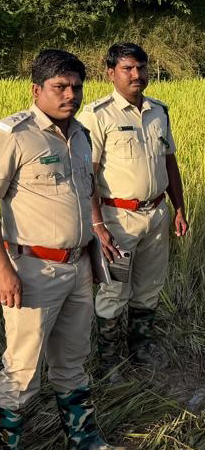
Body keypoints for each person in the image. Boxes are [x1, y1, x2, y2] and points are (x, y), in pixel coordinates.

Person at [0, 49, 123, 450]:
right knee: (22, 368)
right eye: (60, 87)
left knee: (72, 360)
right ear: (36, 90)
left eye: (76, 87)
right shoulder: (14, 135)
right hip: (32, 271)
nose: (70, 95)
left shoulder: (81, 136)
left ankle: (83, 438)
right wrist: (3, 269)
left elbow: (84, 190)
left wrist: (97, 227)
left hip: (78, 267)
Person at [77, 43, 189, 383]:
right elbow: (87, 175)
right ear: (110, 73)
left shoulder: (159, 111)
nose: (136, 75)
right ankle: (109, 361)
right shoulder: (97, 116)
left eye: (141, 67)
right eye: (128, 68)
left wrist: (179, 207)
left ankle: (141, 348)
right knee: (114, 292)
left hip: (155, 214)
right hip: (116, 220)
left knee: (149, 287)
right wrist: (98, 224)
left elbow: (169, 162)